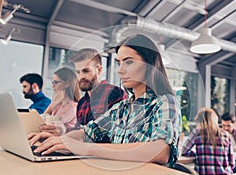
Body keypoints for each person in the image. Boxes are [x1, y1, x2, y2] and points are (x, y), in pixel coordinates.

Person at [28, 34, 181, 166]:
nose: (120, 70)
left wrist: (85, 148)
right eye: (119, 63)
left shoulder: (165, 101)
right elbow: (87, 133)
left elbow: (161, 151)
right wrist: (59, 140)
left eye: (128, 62)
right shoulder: (122, 108)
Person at [39, 48, 127, 136]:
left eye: (86, 71)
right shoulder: (82, 102)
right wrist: (62, 131)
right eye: (78, 72)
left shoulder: (114, 93)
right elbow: (80, 131)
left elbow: (117, 134)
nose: (81, 76)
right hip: (81, 149)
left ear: (99, 70)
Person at [182, 108, 235, 175]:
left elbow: (183, 151)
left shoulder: (197, 132)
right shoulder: (226, 135)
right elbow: (232, 163)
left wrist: (198, 154)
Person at [43, 67, 81, 134]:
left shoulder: (71, 106)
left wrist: (53, 103)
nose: (52, 86)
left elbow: (50, 126)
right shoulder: (58, 103)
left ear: (67, 84)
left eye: (55, 82)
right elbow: (43, 120)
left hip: (62, 141)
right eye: (52, 82)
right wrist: (53, 103)